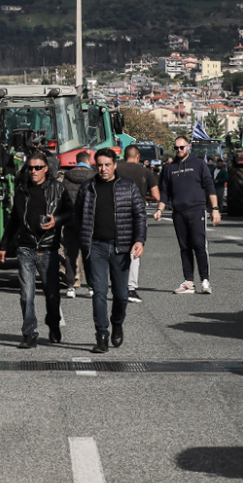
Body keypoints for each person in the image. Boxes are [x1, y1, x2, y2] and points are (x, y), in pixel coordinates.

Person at [74, 148, 147, 353]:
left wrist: (139, 240)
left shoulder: (128, 186)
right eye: (100, 165)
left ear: (115, 165)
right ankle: (102, 335)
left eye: (107, 164)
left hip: (121, 247)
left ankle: (116, 323)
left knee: (122, 295)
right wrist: (82, 236)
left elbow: (140, 215)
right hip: (95, 246)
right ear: (94, 165)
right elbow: (77, 215)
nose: (103, 169)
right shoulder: (88, 187)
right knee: (99, 292)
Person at [0, 152, 72, 348]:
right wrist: (4, 246)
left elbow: (70, 212)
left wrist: (57, 220)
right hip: (25, 249)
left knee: (52, 293)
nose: (33, 171)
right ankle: (29, 333)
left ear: (46, 169)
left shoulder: (58, 188)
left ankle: (54, 323)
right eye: (30, 168)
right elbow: (14, 219)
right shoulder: (22, 191)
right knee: (26, 295)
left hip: (48, 249)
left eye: (38, 168)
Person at [155, 136, 219, 294]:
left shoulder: (199, 164)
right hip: (178, 212)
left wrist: (215, 208)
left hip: (196, 209)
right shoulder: (169, 168)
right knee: (184, 248)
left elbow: (209, 186)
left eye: (181, 147)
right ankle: (189, 282)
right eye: (176, 148)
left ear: (188, 147)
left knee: (199, 245)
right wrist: (160, 209)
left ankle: (205, 281)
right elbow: (165, 192)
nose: (179, 150)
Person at [115, 145, 160, 303]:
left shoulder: (116, 169)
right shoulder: (145, 171)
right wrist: (144, 196)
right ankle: (131, 287)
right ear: (138, 156)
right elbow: (156, 196)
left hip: (116, 210)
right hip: (136, 212)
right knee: (135, 248)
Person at [61, 150, 96, 297]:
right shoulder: (94, 177)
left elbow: (62, 198)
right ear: (88, 161)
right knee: (89, 253)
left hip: (70, 220)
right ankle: (91, 286)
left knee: (70, 253)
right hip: (89, 221)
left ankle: (70, 286)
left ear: (76, 161)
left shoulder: (66, 177)